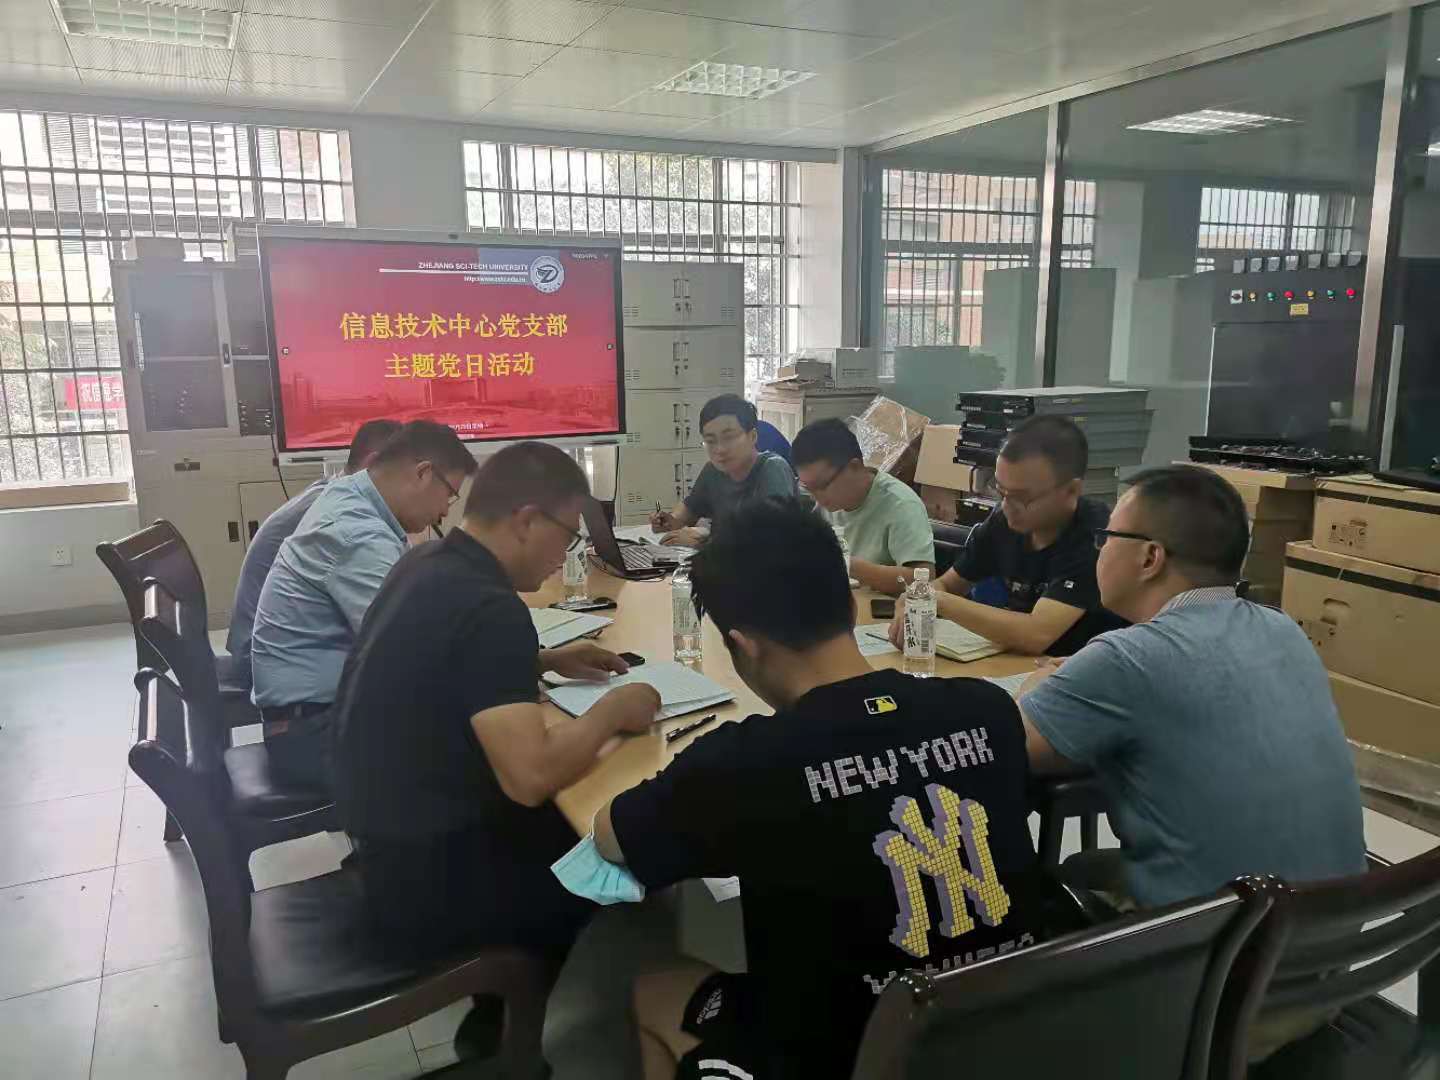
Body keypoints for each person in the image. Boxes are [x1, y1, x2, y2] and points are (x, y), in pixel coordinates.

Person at [582, 499, 1050, 1079]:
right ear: (846, 605)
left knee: (652, 990)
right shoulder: (988, 709)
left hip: (838, 1051)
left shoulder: (743, 763)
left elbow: (611, 836)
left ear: (744, 643)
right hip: (1006, 1028)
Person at [331, 442, 660, 1052]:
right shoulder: (490, 607)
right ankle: (509, 1030)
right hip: (426, 882)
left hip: (381, 842)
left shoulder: (426, 563)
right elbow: (529, 778)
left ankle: (500, 1008)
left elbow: (441, 662)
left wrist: (541, 660)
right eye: (567, 536)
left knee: (575, 826)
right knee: (612, 848)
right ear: (526, 520)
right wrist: (615, 710)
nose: (564, 556)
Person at [1018, 464, 1366, 911]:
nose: (1098, 551)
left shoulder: (1127, 657)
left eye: (1106, 538)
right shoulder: (1283, 630)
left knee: (1057, 883)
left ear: (1150, 558)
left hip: (1221, 937)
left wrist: (1040, 680)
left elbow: (1010, 743)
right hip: (1336, 924)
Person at [250, 419, 477, 789]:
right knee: (487, 755)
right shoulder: (357, 534)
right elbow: (413, 654)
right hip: (313, 733)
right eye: (449, 495)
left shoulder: (353, 498)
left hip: (317, 715)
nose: (444, 513)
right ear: (423, 474)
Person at [889, 414, 1124, 656]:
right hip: (1019, 664)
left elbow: (1037, 634)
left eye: (1022, 497)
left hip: (1079, 668)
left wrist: (939, 601)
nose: (1008, 506)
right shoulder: (1004, 519)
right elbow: (948, 584)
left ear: (1072, 490)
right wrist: (913, 602)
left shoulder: (1097, 537)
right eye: (1001, 492)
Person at [222, 418, 400, 690]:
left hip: (264, 648)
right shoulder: (344, 517)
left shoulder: (332, 494)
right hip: (263, 663)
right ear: (372, 464)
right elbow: (385, 624)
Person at [793, 416, 935, 595]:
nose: (817, 498)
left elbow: (924, 579)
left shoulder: (901, 504)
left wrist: (849, 565)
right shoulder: (826, 505)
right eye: (808, 488)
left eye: (822, 486)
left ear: (854, 466)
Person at [648, 394, 796, 546]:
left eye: (729, 438)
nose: (720, 449)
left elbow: (770, 540)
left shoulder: (773, 468)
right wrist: (670, 521)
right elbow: (689, 510)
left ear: (752, 436)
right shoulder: (713, 471)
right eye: (711, 441)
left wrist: (702, 544)